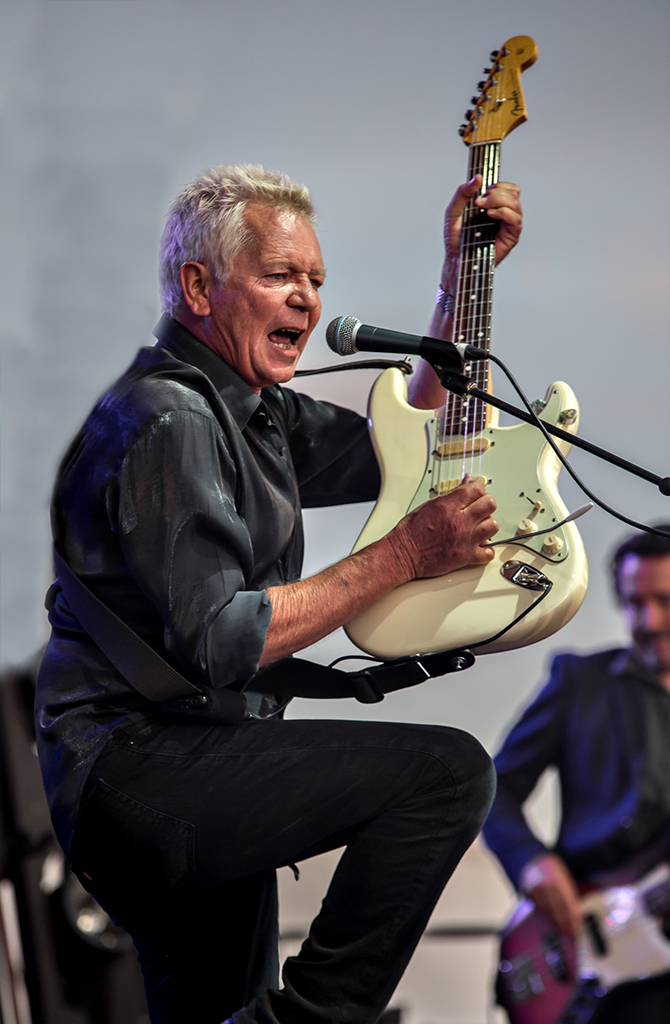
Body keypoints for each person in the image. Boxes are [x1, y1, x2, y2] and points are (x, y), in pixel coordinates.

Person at [35, 163, 522, 1024]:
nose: (307, 299)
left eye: (315, 280)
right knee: (447, 774)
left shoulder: (254, 411)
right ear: (198, 286)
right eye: (280, 275)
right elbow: (222, 640)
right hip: (143, 770)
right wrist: (406, 553)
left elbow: (411, 447)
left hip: (182, 763)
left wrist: (461, 279)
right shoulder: (172, 418)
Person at [483, 527, 670, 1022]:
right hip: (581, 942)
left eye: (665, 601)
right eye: (634, 603)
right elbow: (493, 790)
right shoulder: (579, 681)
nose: (649, 621)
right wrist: (531, 863)